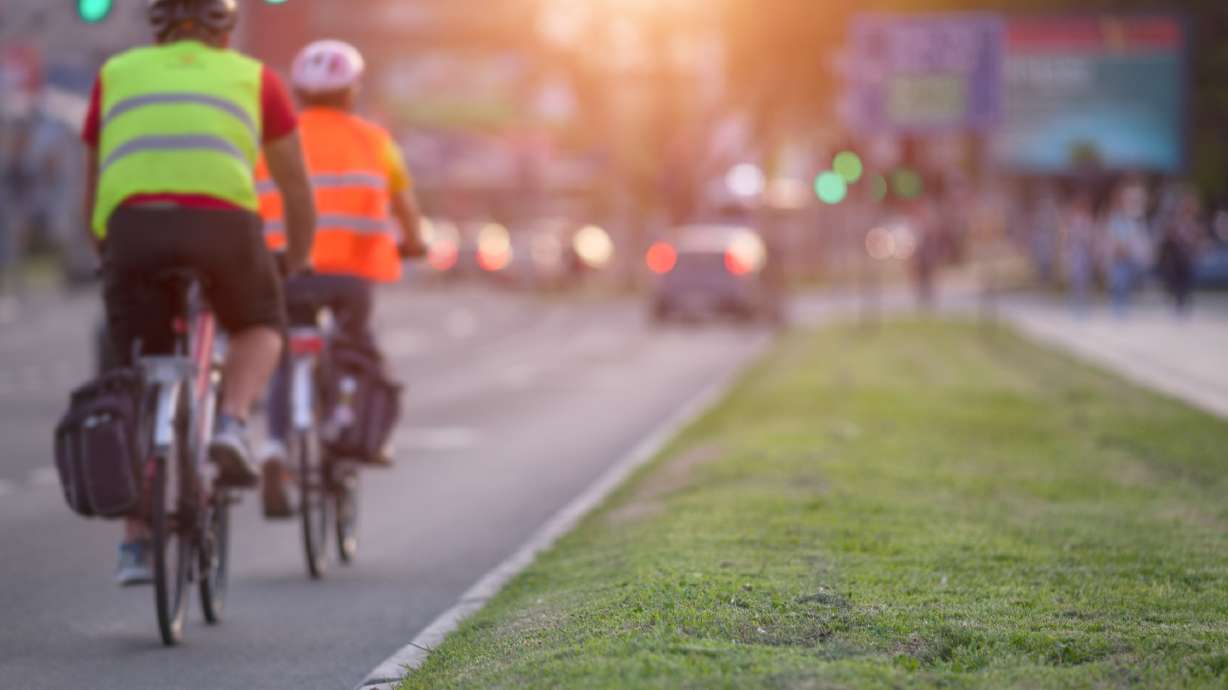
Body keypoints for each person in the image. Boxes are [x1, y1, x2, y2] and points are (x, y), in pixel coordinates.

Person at [81, 0, 317, 584]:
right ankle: (232, 423)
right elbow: (294, 184)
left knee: (136, 372)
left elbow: (94, 172)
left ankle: (135, 542)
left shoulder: (116, 75)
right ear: (226, 27)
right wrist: (298, 256)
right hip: (224, 226)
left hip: (134, 228)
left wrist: (103, 245)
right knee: (261, 325)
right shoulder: (255, 78)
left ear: (157, 25)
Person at [253, 40, 427, 517]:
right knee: (355, 350)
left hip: (286, 271)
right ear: (353, 90)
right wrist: (415, 242)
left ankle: (273, 448)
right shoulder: (376, 141)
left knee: (286, 355)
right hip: (351, 277)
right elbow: (407, 209)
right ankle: (346, 419)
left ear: (298, 92)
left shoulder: (272, 140)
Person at [1103, 181, 1153, 317]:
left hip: (1126, 257)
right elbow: (1111, 238)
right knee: (1117, 283)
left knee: (1123, 283)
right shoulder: (1114, 220)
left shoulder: (1131, 220)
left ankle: (1122, 308)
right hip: (1116, 257)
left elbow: (1134, 239)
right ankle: (1117, 307)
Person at [1155, 189, 1204, 315]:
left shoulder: (1196, 223)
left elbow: (1198, 241)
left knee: (1185, 267)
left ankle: (1182, 302)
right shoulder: (1176, 222)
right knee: (1176, 263)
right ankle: (1177, 300)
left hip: (1188, 258)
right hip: (1177, 259)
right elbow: (1168, 238)